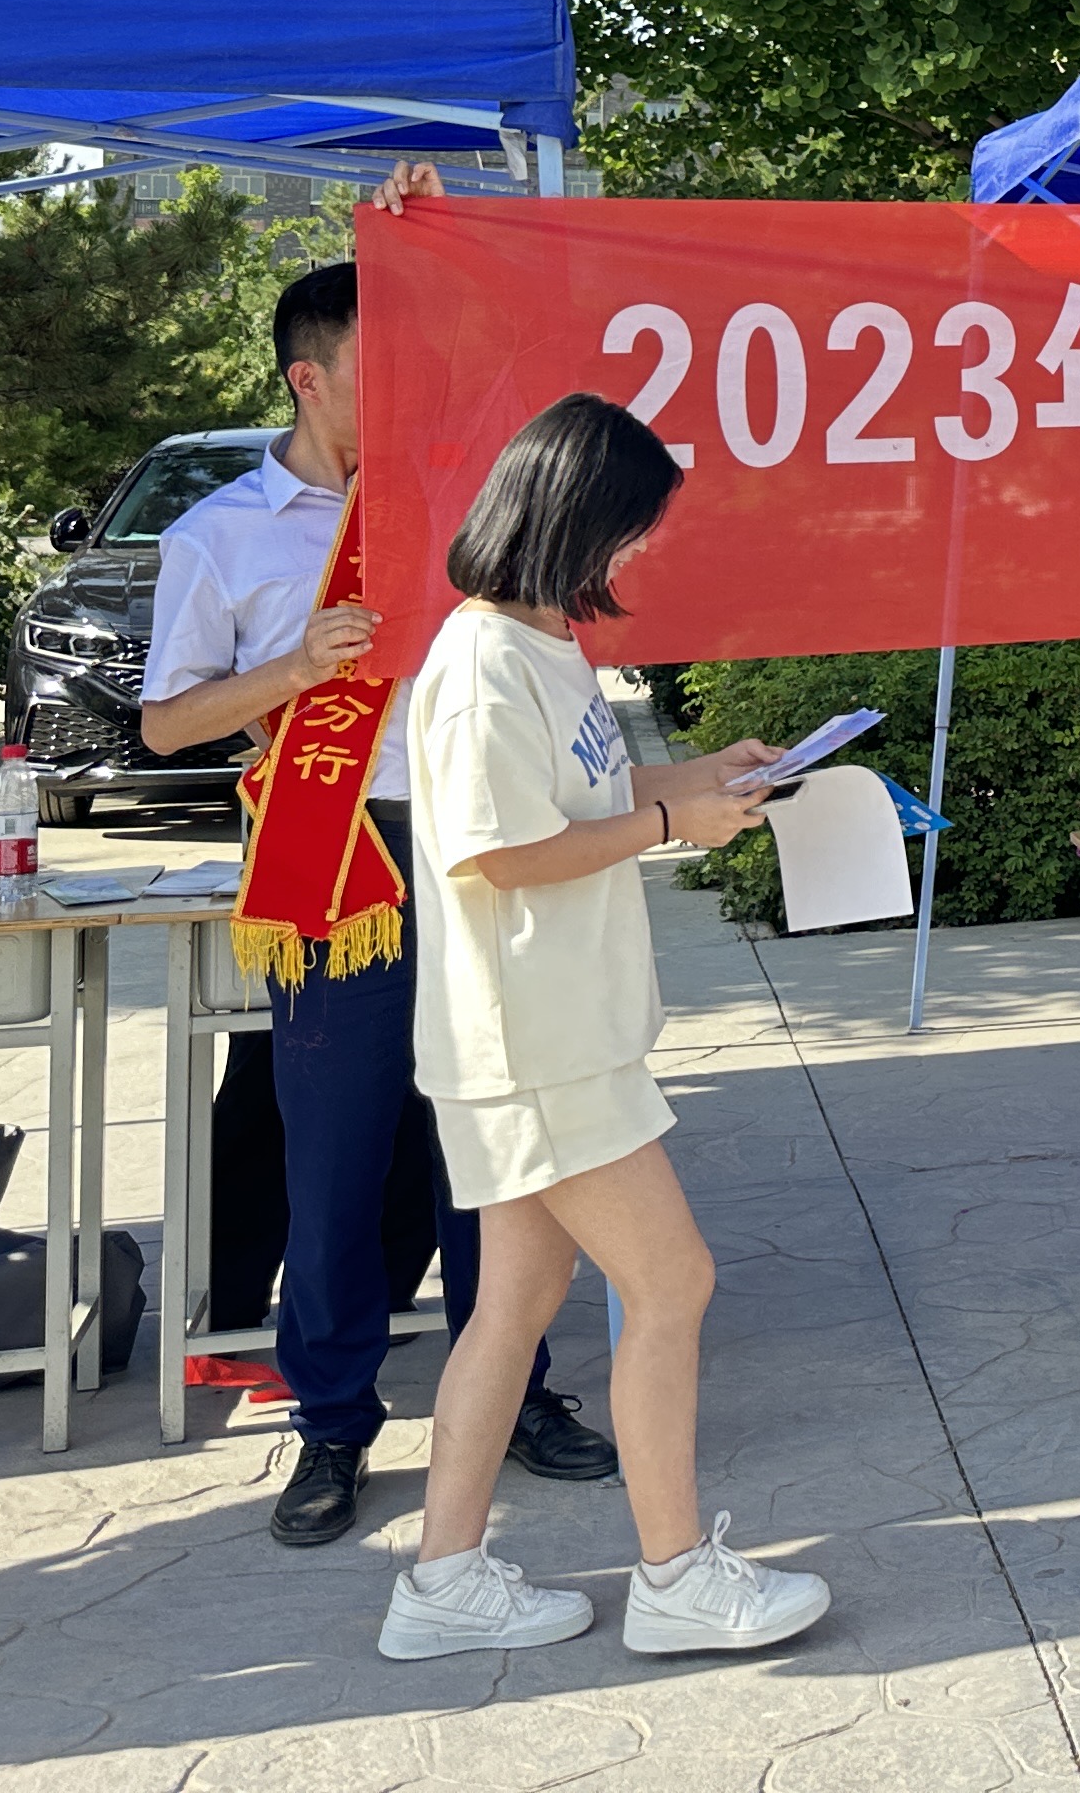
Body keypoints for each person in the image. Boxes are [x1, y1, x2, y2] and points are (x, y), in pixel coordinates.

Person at [142, 223, 619, 1545]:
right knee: (339, 1158)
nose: (407, 386)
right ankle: (334, 1420)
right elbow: (167, 724)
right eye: (376, 366)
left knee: (495, 1141)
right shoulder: (222, 536)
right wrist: (293, 670)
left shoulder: (457, 503)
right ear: (309, 377)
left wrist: (436, 225)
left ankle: (511, 1387)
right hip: (338, 862)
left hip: (481, 849)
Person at [382, 392, 820, 1661]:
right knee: (672, 1283)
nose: (638, 550)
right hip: (534, 1043)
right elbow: (499, 853)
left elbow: (581, 792)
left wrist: (701, 778)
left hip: (553, 1034)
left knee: (515, 1304)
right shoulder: (480, 666)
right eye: (631, 527)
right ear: (573, 517)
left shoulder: (540, 645)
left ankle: (443, 1581)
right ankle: (676, 1576)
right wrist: (674, 826)